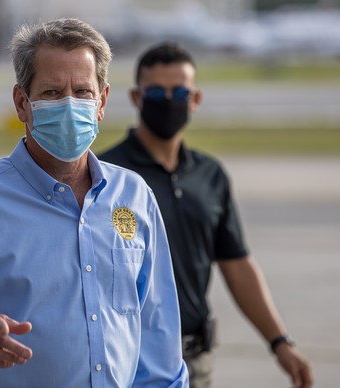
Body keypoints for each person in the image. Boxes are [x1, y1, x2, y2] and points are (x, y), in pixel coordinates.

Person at [0, 19, 188, 388]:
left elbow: (157, 338)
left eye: (82, 91)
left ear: (102, 101)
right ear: (21, 103)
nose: (70, 105)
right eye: (52, 93)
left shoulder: (133, 195)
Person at [99, 42, 314, 388]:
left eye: (179, 91)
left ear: (195, 99)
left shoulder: (210, 176)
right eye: (156, 91)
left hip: (193, 361)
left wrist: (280, 342)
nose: (168, 100)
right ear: (136, 98)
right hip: (124, 357)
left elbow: (237, 264)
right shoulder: (108, 175)